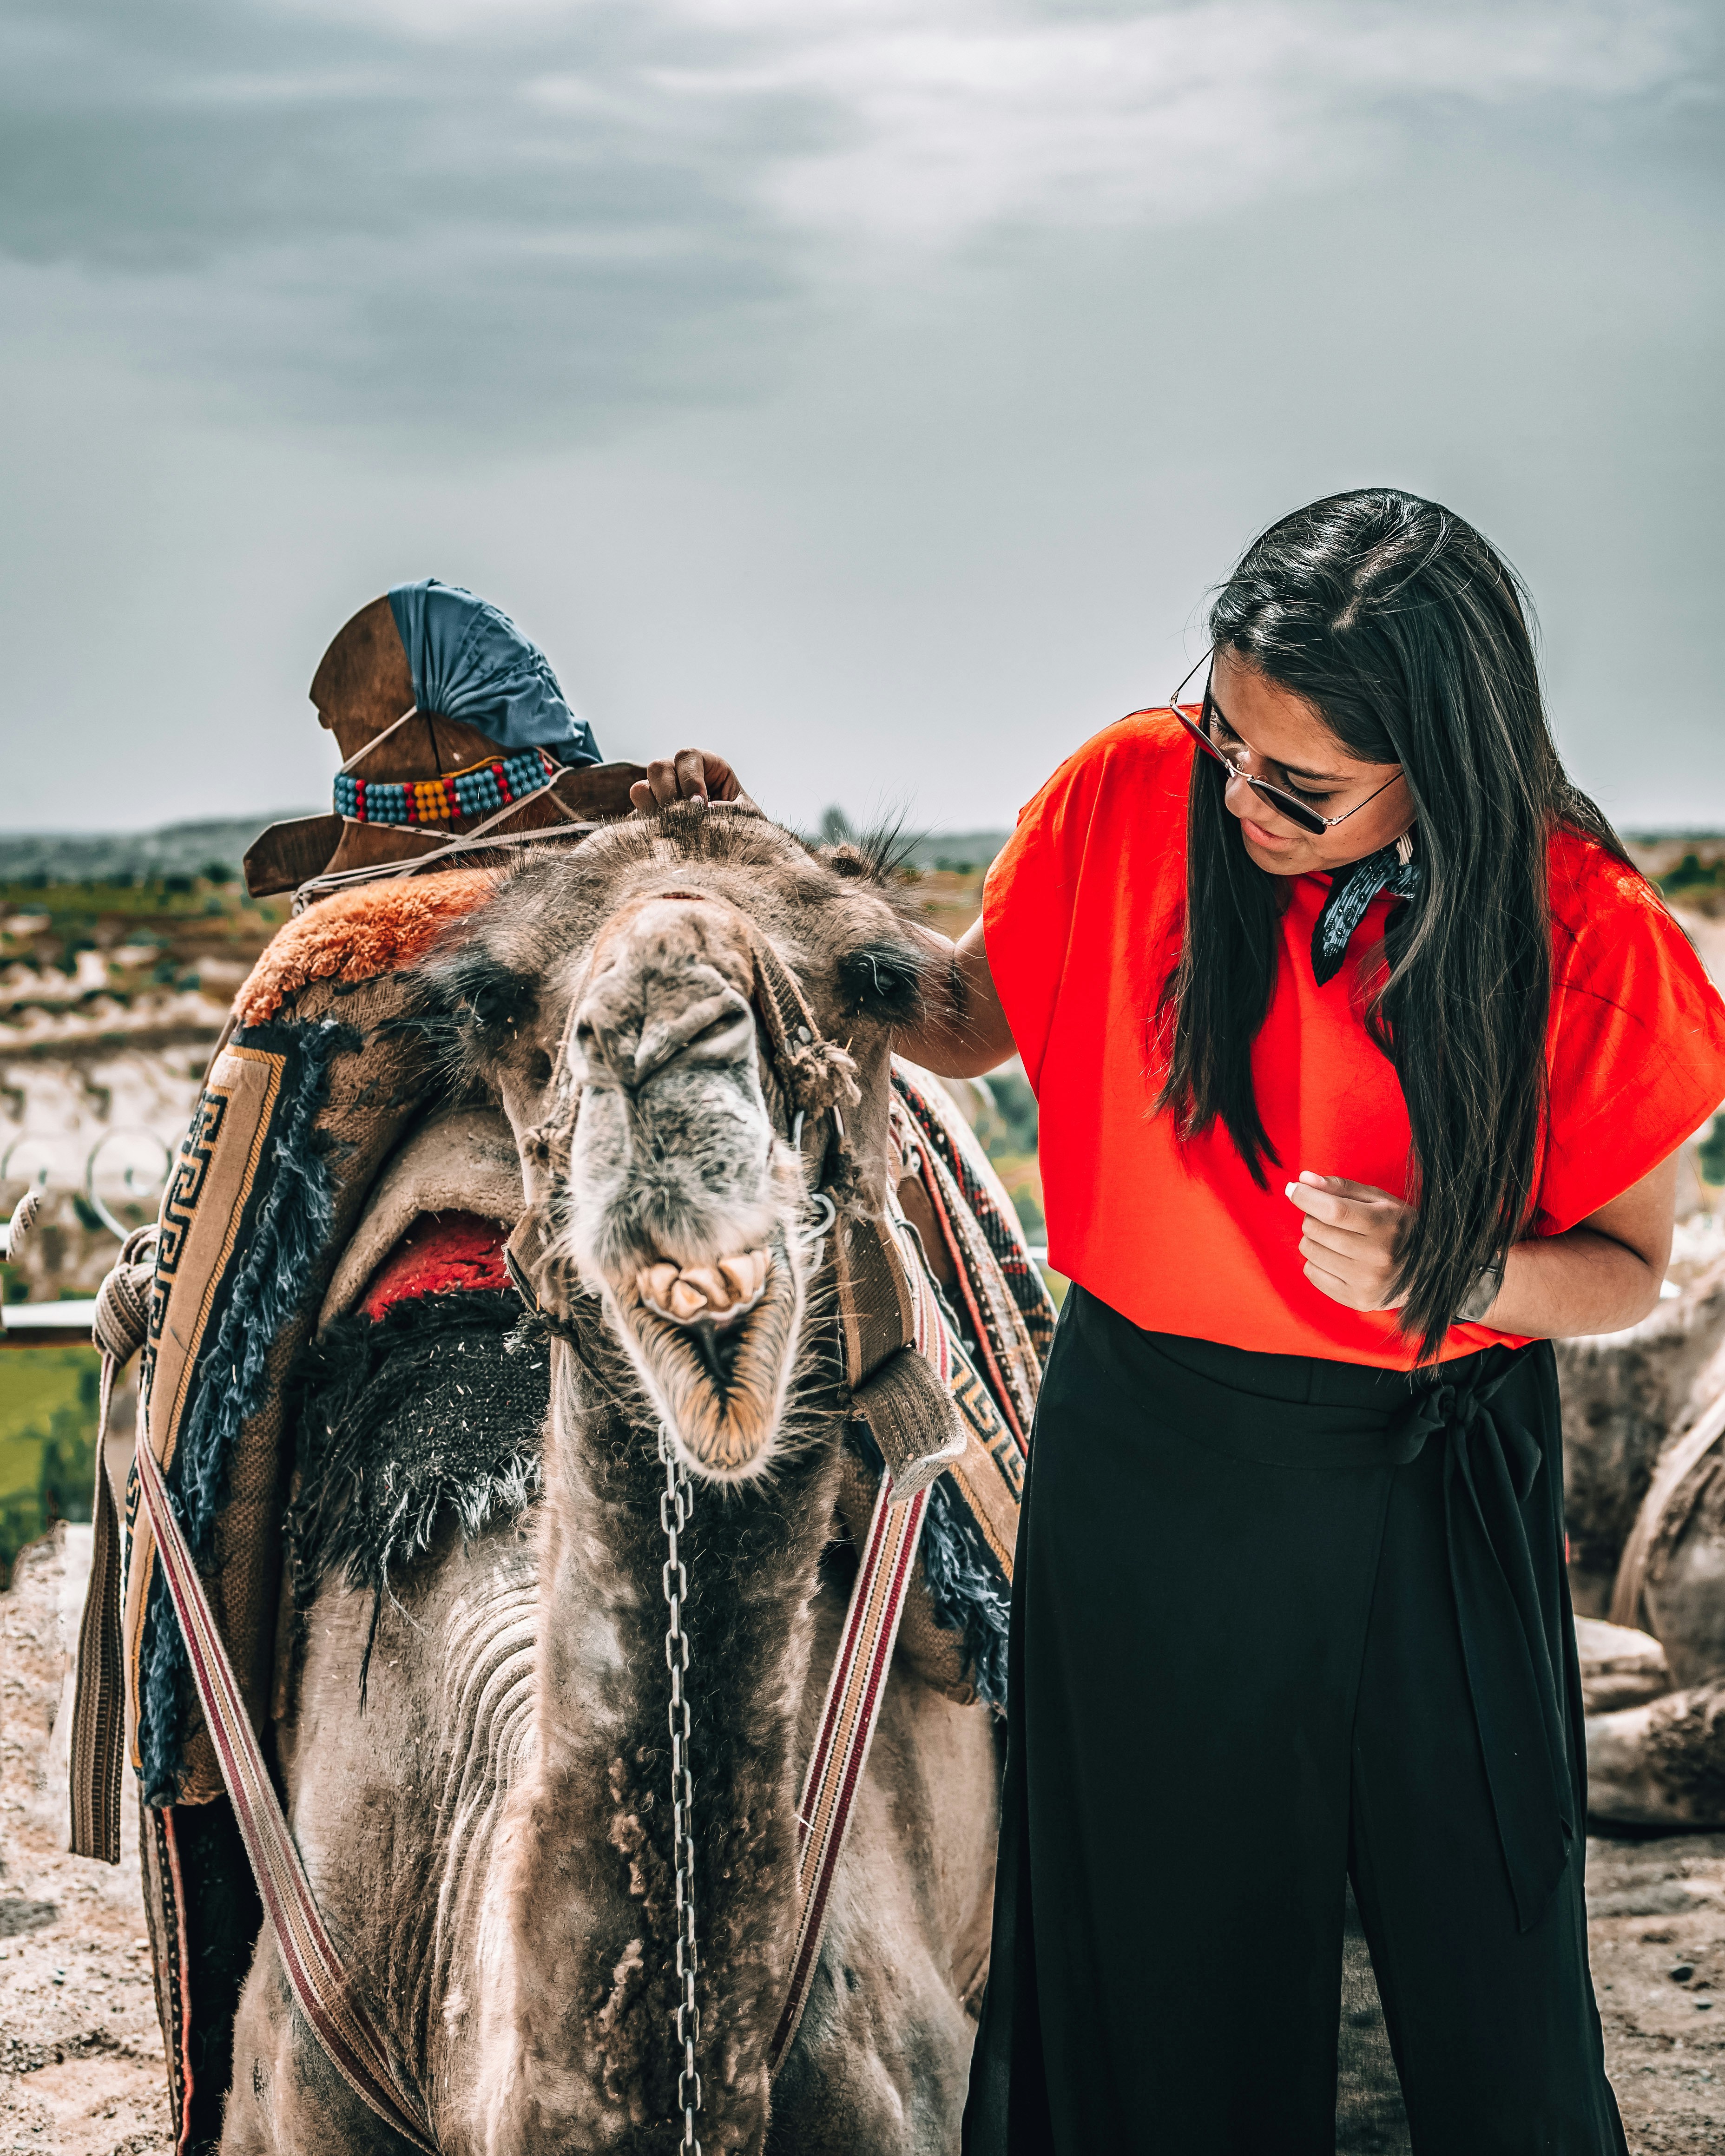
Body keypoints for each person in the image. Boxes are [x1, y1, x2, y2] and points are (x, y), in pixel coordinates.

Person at [632, 488, 1725, 2153]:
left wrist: (1459, 1269)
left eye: (1300, 783)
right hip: (1149, 1458)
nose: (1241, 797)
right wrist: (767, 872)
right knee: (1160, 1955)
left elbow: (1633, 1269)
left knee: (1490, 1952)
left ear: (1448, 753)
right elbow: (960, 1018)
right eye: (1228, 737)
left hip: (1434, 1473)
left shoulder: (1586, 931)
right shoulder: (1132, 790)